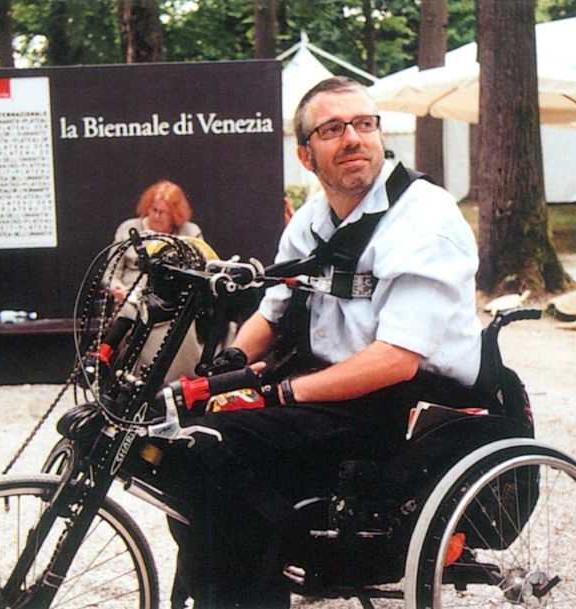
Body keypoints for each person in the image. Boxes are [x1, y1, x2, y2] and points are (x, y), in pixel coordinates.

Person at [159, 76, 483, 608]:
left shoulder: (425, 218)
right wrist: (222, 371)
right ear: (306, 155)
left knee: (215, 448)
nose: (353, 138)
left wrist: (280, 393)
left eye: (364, 124)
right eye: (332, 129)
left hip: (410, 407)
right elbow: (272, 313)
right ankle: (235, 572)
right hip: (335, 392)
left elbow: (396, 360)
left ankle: (256, 575)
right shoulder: (314, 218)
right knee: (183, 438)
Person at [107, 179, 203, 302]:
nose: (157, 216)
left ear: (175, 214)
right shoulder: (128, 229)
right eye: (154, 210)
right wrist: (116, 287)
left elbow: (201, 271)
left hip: (174, 301)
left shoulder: (191, 232)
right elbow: (110, 273)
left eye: (163, 212)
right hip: (130, 297)